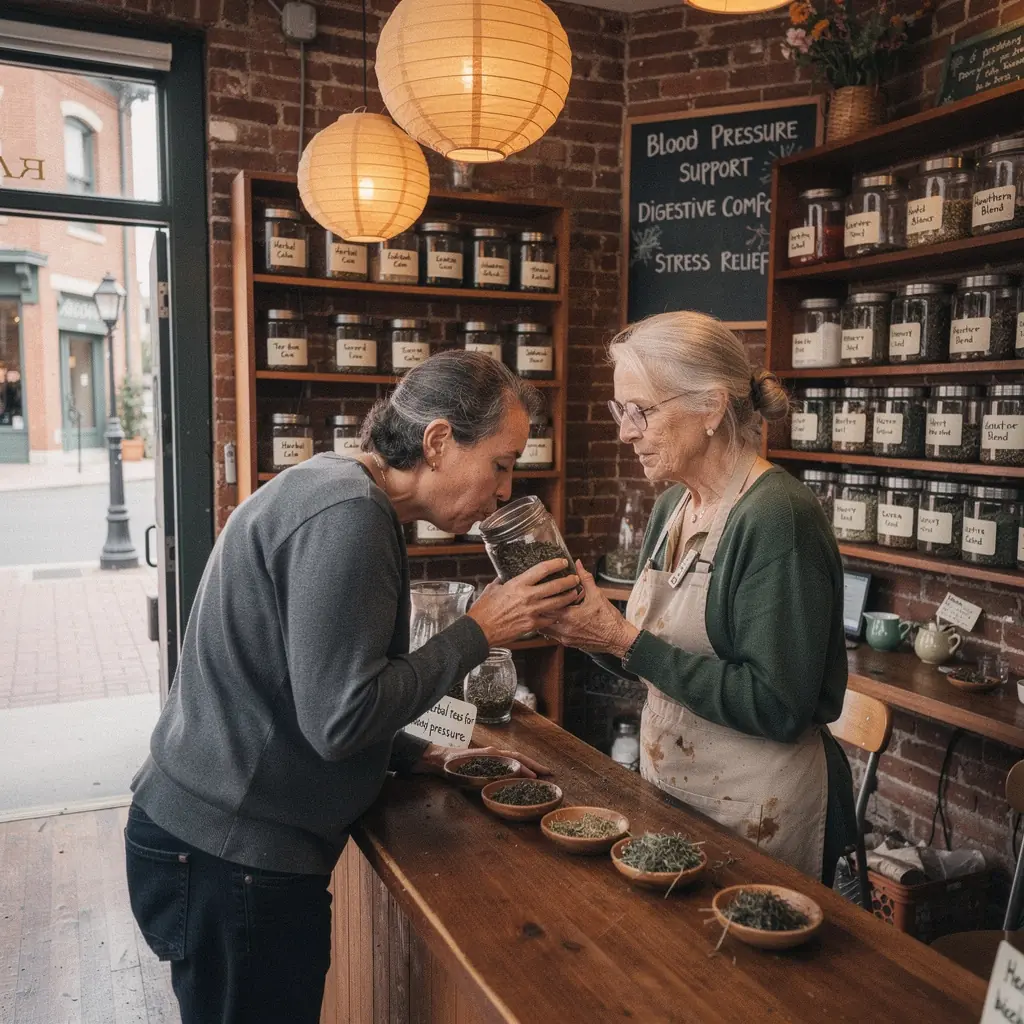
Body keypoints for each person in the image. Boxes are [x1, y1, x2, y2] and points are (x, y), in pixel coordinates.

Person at [124, 351, 580, 1023]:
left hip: (206, 842)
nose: (505, 490)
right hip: (232, 857)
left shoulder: (337, 487)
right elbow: (338, 721)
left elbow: (302, 681)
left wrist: (409, 752)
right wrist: (479, 629)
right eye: (502, 463)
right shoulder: (350, 516)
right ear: (438, 440)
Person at [544, 311, 856, 883]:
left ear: (710, 407)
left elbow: (779, 705)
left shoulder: (776, 516)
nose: (625, 431)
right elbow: (654, 656)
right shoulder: (673, 507)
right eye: (621, 411)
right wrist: (583, 626)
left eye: (640, 411)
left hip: (758, 811)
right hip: (676, 789)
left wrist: (625, 639)